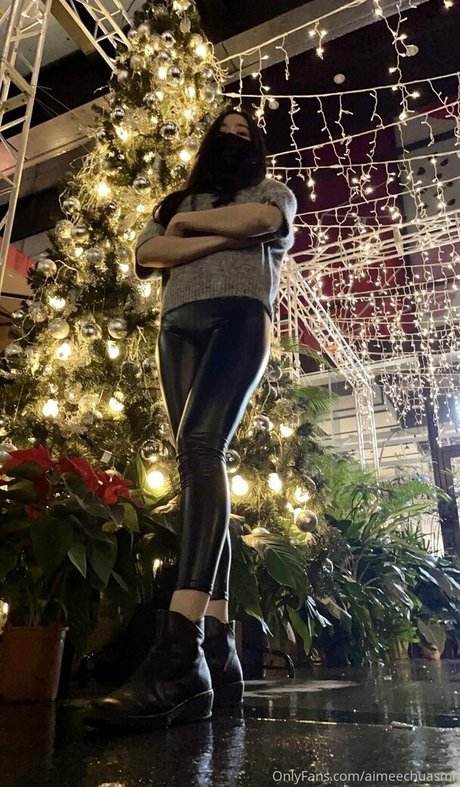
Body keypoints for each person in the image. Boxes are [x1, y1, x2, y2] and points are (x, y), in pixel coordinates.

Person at [85, 108, 297, 731]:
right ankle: (220, 646)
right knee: (196, 461)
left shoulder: (270, 191)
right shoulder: (175, 201)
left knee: (203, 447)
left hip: (241, 317)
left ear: (256, 147)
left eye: (243, 132)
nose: (233, 136)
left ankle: (181, 649)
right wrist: (212, 234)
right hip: (176, 328)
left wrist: (189, 229)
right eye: (223, 131)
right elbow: (149, 252)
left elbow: (262, 222)